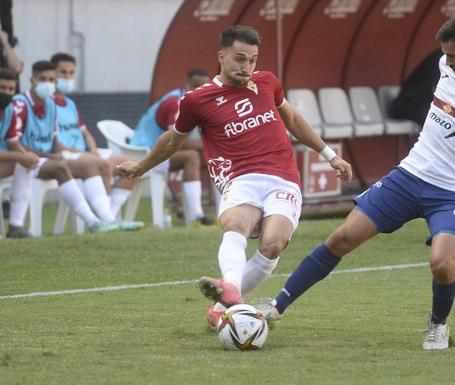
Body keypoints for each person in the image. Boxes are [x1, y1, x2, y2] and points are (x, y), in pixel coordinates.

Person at [258, 12, 455, 350]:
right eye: (445, 53)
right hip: (409, 177)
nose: (445, 60)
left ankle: (438, 324)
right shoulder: (444, 67)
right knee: (342, 237)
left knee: (442, 263)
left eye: (453, 55)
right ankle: (276, 306)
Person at [117, 25, 352, 327]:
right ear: (222, 55)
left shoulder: (267, 82)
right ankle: (231, 290)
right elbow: (172, 140)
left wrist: (330, 156)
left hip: (282, 177)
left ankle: (222, 306)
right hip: (240, 177)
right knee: (236, 224)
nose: (247, 67)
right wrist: (140, 167)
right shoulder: (197, 100)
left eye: (253, 60)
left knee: (273, 244)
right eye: (240, 59)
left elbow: (292, 119)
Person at [8, 60, 130, 233]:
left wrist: (59, 153)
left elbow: (55, 140)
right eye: (43, 79)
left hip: (48, 158)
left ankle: (108, 219)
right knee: (63, 166)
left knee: (91, 165)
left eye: (51, 80)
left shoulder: (51, 104)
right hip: (26, 160)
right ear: (32, 80)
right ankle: (93, 222)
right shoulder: (20, 104)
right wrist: (55, 156)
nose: (48, 84)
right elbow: (16, 144)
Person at [50, 52, 141, 219]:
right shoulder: (47, 104)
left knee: (135, 166)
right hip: (66, 156)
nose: (68, 77)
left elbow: (86, 133)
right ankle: (108, 219)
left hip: (85, 154)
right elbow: (54, 143)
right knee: (102, 164)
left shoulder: (70, 104)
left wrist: (92, 149)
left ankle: (110, 215)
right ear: (52, 73)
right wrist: (88, 154)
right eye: (63, 73)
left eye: (71, 73)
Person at [130, 68, 214, 227]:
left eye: (205, 87)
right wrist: (208, 145)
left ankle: (216, 209)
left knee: (215, 158)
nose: (201, 90)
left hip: (159, 151)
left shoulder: (191, 101)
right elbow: (176, 141)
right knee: (192, 157)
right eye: (197, 86)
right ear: (187, 85)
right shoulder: (177, 103)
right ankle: (197, 216)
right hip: (144, 152)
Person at [0, 67, 37, 238]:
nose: (6, 93)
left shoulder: (9, 109)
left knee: (25, 164)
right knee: (20, 160)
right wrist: (20, 156)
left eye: (10, 89)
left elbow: (12, 141)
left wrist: (26, 156)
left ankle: (15, 225)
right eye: (2, 88)